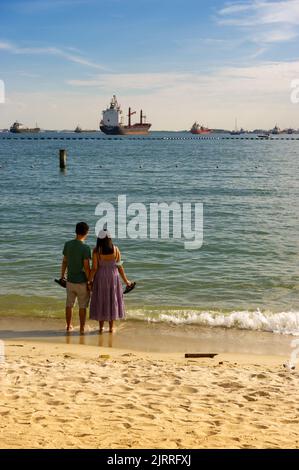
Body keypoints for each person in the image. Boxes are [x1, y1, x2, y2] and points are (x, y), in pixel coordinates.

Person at [89, 229, 134, 333]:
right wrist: (126, 281)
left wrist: (89, 280)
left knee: (101, 299)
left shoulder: (96, 251)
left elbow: (94, 268)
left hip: (100, 278)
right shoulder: (116, 249)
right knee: (112, 299)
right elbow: (120, 266)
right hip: (113, 277)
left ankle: (100, 328)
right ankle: (111, 328)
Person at [60, 222, 91, 334]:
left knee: (69, 304)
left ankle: (68, 326)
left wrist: (62, 275)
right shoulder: (85, 248)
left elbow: (64, 261)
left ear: (76, 231)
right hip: (81, 281)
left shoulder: (68, 244)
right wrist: (90, 281)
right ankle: (82, 328)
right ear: (86, 232)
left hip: (70, 280)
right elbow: (87, 267)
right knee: (82, 306)